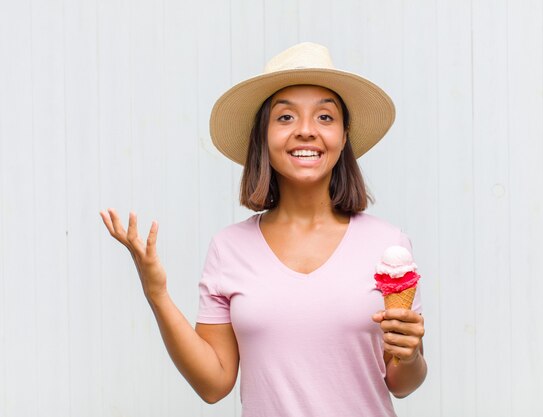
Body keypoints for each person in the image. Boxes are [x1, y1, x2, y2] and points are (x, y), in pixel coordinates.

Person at [100, 42, 426, 417]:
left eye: (325, 117)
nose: (306, 131)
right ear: (263, 137)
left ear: (344, 135)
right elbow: (213, 384)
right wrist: (156, 294)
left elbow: (403, 383)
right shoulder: (229, 248)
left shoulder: (388, 245)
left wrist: (412, 353)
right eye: (285, 118)